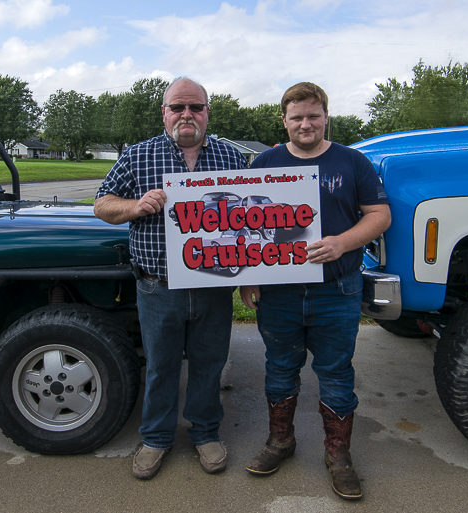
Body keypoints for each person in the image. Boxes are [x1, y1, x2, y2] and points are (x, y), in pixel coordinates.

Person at [239, 82, 390, 500]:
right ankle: (280, 441)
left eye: (313, 116)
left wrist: (343, 241)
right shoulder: (265, 163)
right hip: (280, 291)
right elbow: (248, 227)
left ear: (326, 116)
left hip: (337, 289)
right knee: (280, 368)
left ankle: (338, 455)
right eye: (296, 117)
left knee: (337, 372)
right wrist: (249, 275)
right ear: (284, 121)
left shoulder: (353, 162)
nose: (305, 124)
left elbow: (380, 215)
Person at [93, 77, 248, 480]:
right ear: (164, 112)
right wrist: (136, 206)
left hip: (215, 285)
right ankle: (156, 438)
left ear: (207, 112)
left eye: (195, 107)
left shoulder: (232, 158)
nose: (186, 115)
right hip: (157, 284)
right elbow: (102, 204)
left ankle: (206, 433)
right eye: (177, 107)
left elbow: (252, 220)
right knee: (161, 366)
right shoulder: (138, 157)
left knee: (209, 363)